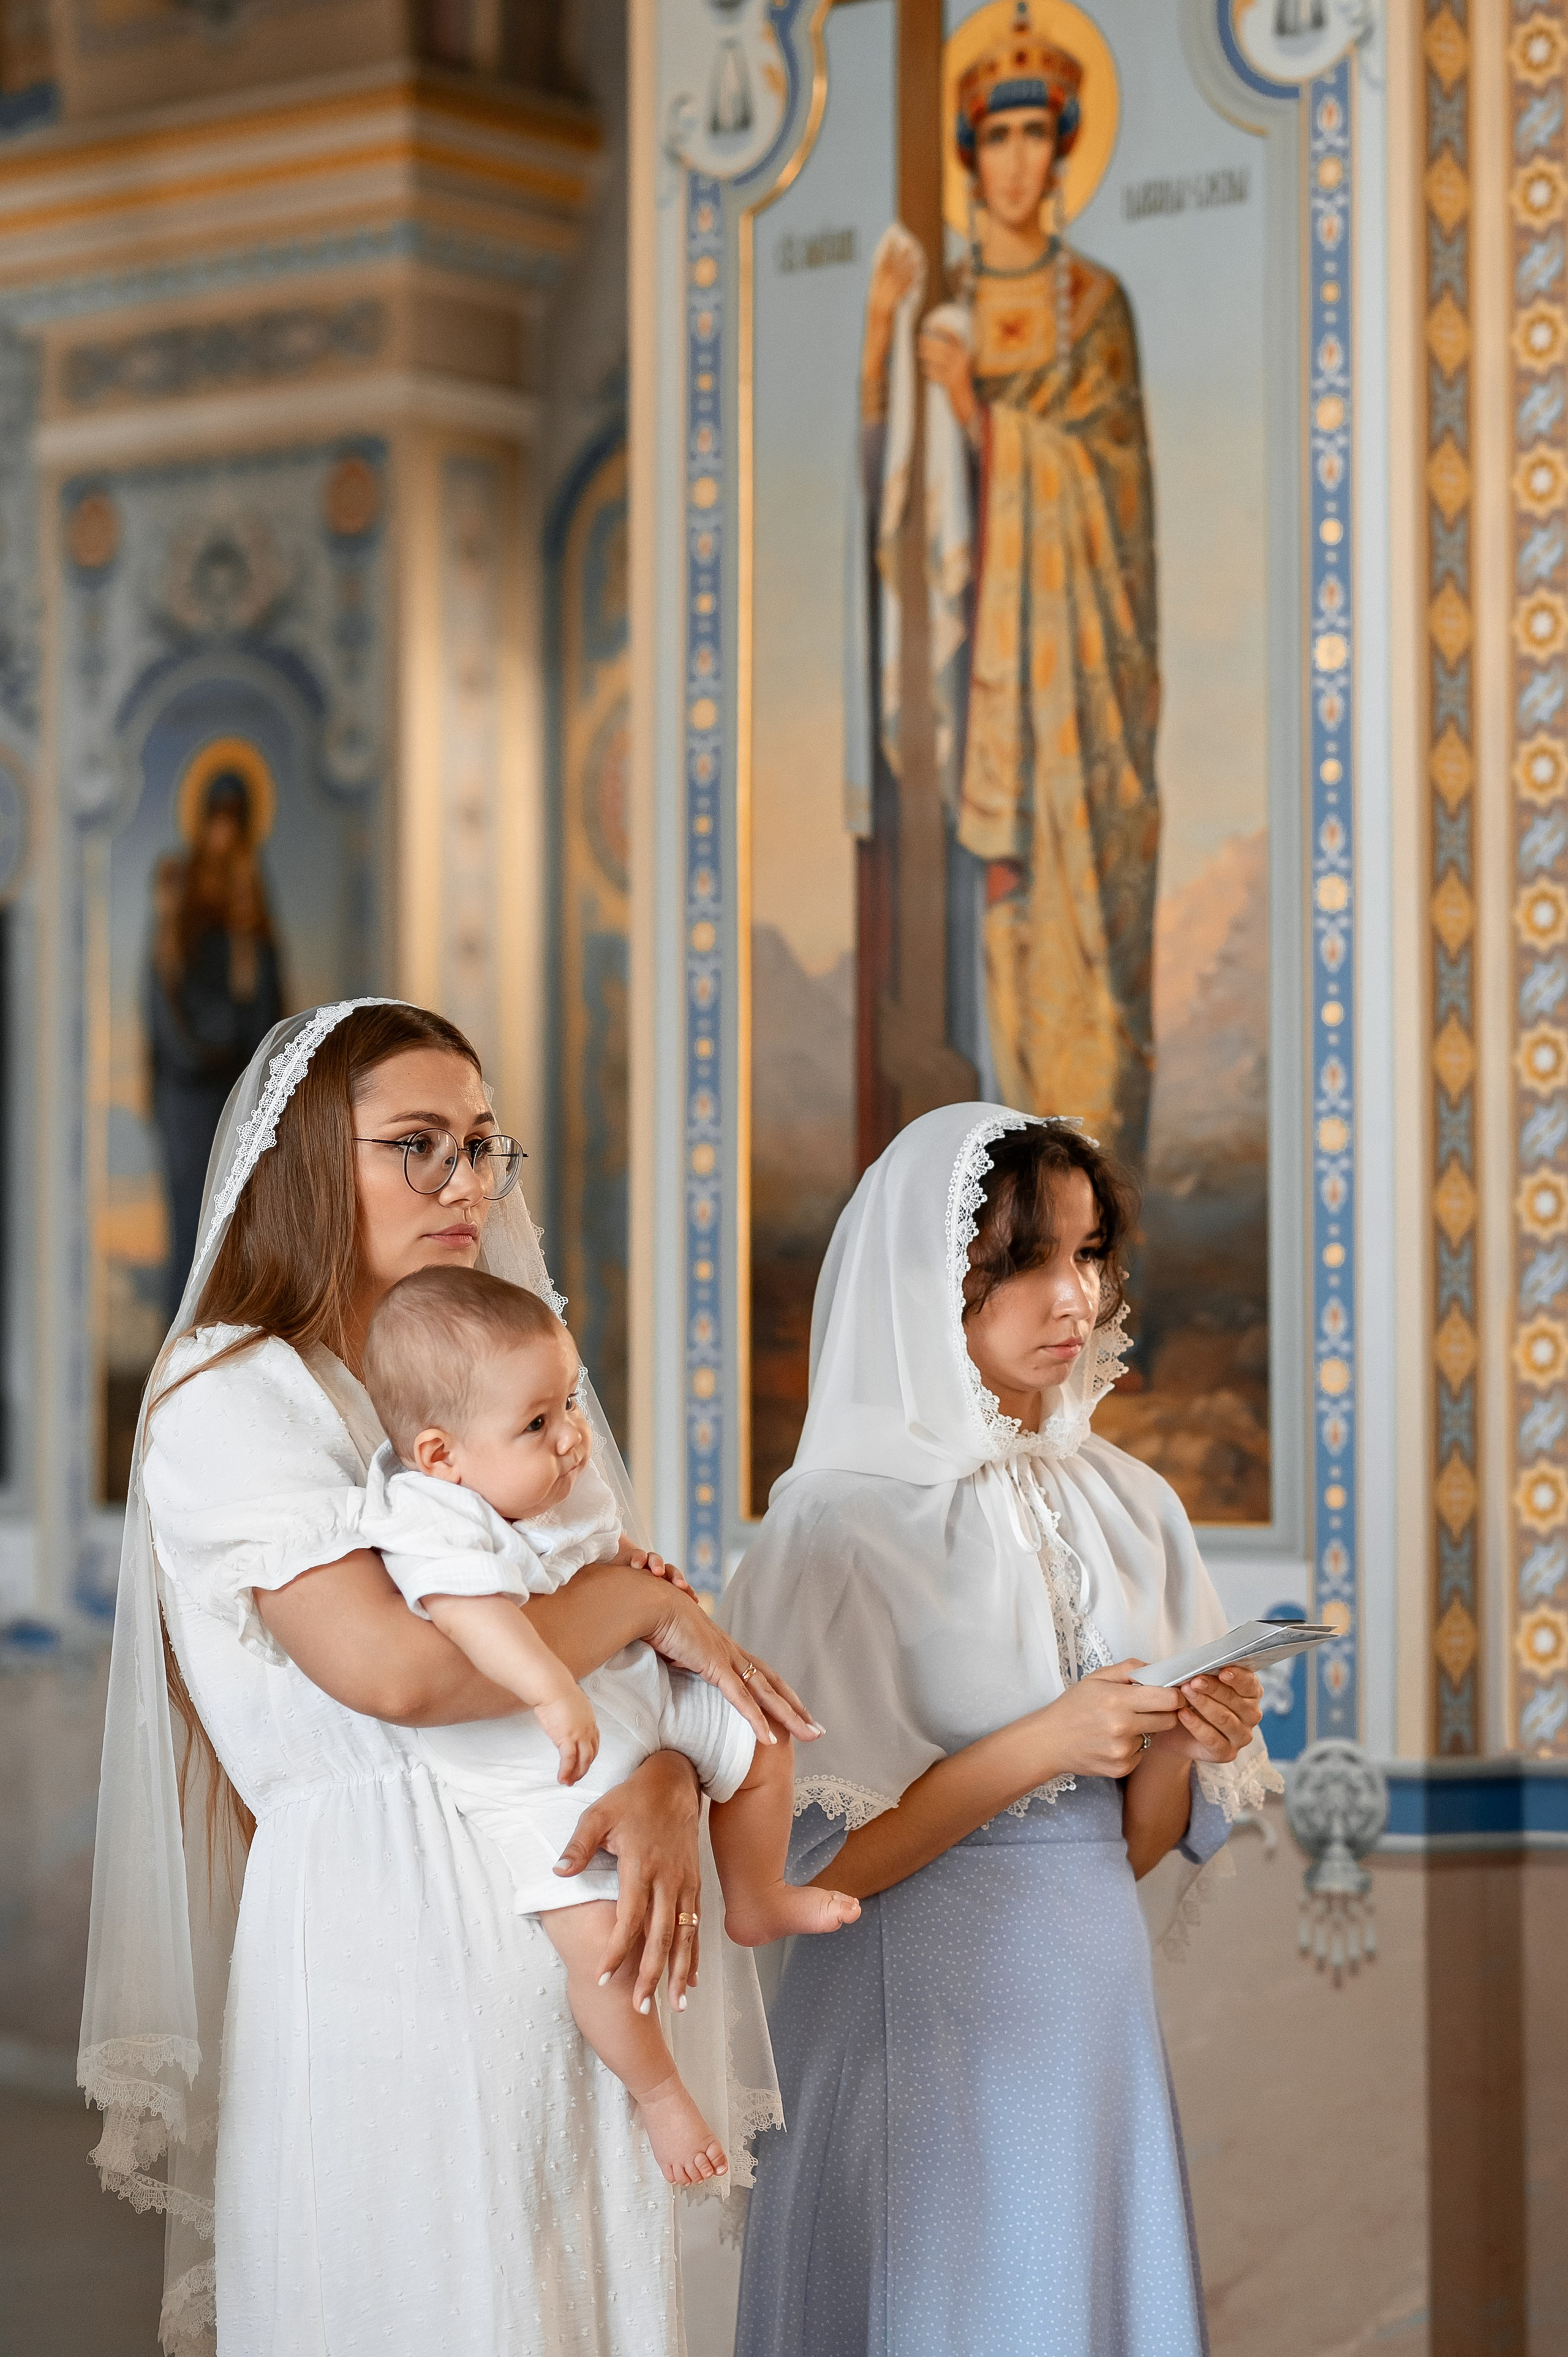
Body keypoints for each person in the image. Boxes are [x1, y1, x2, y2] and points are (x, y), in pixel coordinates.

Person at [78, 999, 814, 2357]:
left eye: (481, 1144)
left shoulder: (496, 1378)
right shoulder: (228, 1391)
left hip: (576, 1958)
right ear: (307, 1159)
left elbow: (592, 1666)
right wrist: (641, 1599)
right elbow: (407, 1674)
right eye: (415, 1145)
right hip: (382, 1962)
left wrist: (658, 1774)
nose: (466, 1181)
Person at [720, 1103, 1280, 2357]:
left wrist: (1186, 1732)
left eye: (1086, 1254)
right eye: (1021, 1261)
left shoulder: (1134, 1504)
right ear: (928, 1281)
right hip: (908, 2015)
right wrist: (1048, 1739)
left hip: (1085, 2002)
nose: (1068, 1293)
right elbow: (799, 1875)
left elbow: (1117, 1852)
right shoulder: (832, 1530)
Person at [354, 1264, 858, 2187]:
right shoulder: (429, 1519)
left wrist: (637, 1567)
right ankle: (660, 2091)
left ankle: (756, 1894)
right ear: (441, 1455)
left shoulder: (552, 1477)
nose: (573, 1439)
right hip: (541, 1761)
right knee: (598, 1942)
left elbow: (600, 1547)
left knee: (762, 1741)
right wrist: (551, 1689)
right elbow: (474, 1622)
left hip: (634, 1696)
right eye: (538, 1424)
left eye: (570, 1403)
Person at [858, 6, 1159, 1171]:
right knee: (996, 912)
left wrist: (988, 415)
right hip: (977, 683)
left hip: (1077, 691)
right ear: (974, 153)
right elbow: (894, 508)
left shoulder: (1098, 310)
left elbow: (1114, 495)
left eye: (1042, 135)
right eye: (1000, 137)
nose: (1022, 160)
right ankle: (1003, 1204)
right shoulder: (947, 314)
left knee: (1082, 927)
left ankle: (1092, 1215)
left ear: (1066, 146)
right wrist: (890, 344)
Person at [146, 769, 284, 1316]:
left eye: (236, 818)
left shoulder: (252, 903)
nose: (225, 831)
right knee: (189, 1231)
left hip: (239, 1089)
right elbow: (161, 996)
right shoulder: (177, 905)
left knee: (239, 1236)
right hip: (188, 1094)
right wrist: (206, 1046)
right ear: (202, 823)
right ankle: (178, 1367)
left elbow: (268, 1007)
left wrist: (249, 936)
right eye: (217, 817)